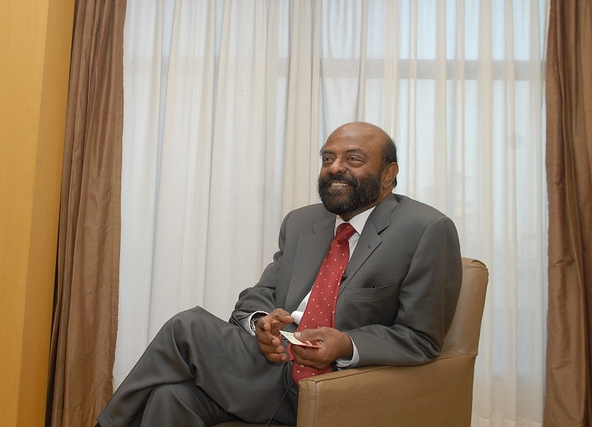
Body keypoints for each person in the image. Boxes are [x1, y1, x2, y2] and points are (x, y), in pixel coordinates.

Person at [96, 121, 462, 427]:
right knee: (168, 397)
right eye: (327, 158)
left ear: (388, 174)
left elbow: (421, 338)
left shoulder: (426, 229)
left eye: (353, 159)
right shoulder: (303, 222)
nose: (335, 167)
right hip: (273, 367)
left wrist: (346, 344)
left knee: (186, 327)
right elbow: (257, 297)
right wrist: (260, 324)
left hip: (339, 384)